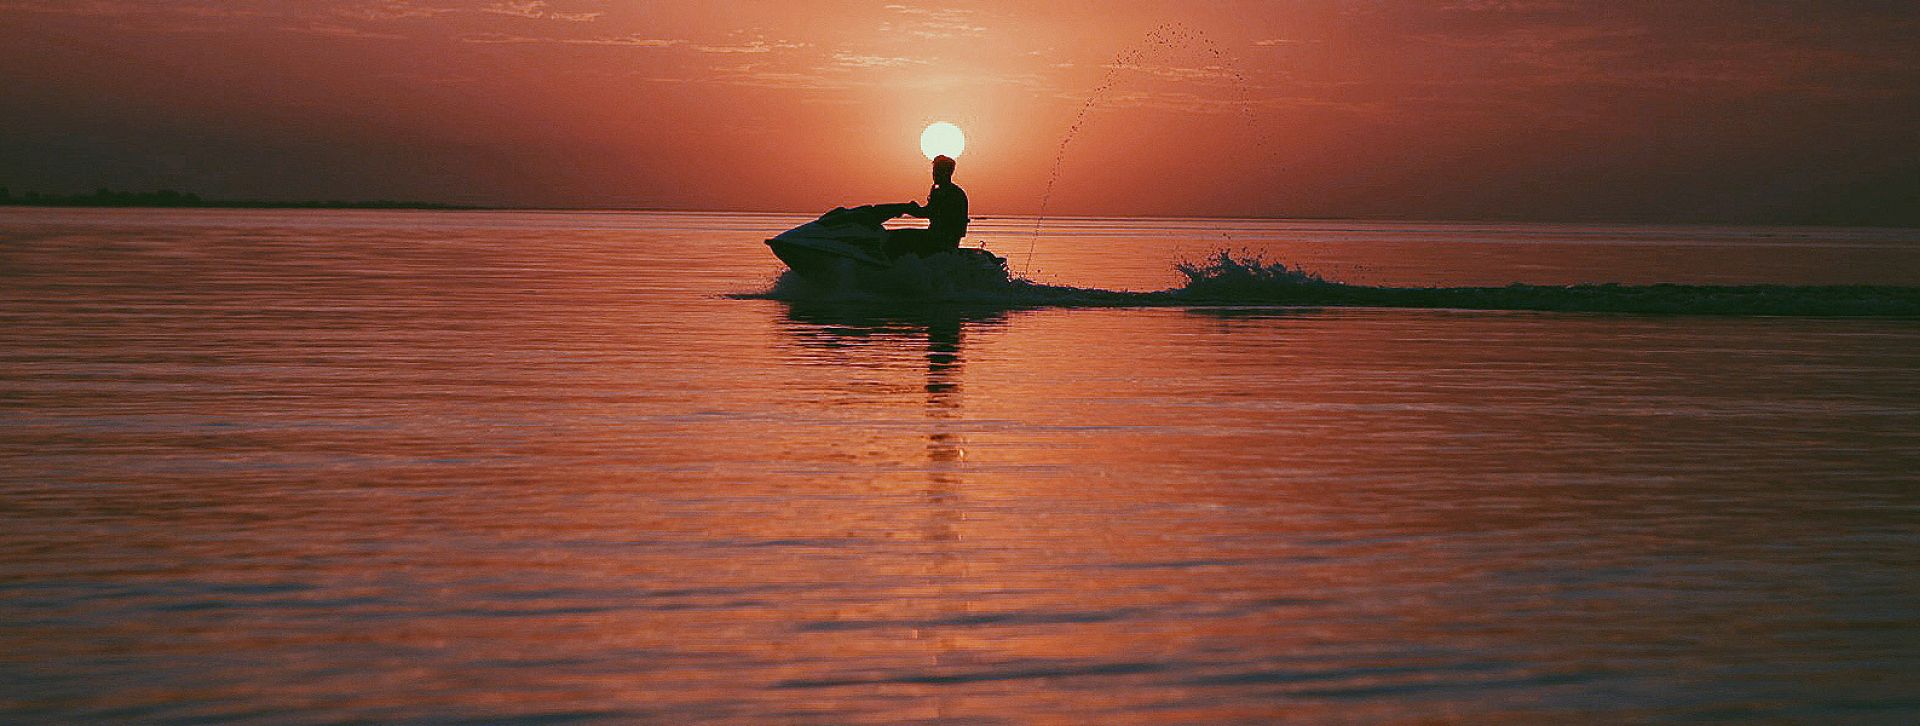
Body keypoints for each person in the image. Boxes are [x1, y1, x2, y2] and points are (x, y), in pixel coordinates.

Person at [885, 154, 969, 258]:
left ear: (947, 173)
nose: (934, 175)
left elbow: (929, 212)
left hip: (942, 241)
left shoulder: (948, 193)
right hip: (939, 237)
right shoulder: (946, 191)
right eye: (934, 172)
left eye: (937, 172)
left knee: (900, 236)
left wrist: (908, 209)